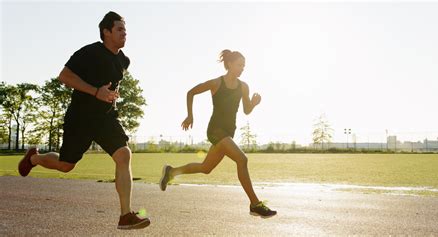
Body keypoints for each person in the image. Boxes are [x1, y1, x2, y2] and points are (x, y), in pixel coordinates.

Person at [17, 11, 150, 230]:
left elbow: (111, 86)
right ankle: (35, 159)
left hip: (105, 118)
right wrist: (95, 92)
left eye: (125, 29)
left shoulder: (123, 60)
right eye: (119, 29)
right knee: (66, 165)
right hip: (81, 117)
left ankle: (125, 215)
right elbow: (64, 76)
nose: (124, 33)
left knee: (124, 154)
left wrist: (109, 97)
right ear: (106, 32)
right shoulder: (89, 52)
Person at [159, 49, 277, 217]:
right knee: (242, 159)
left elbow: (246, 110)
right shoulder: (216, 83)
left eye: (244, 66)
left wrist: (254, 103)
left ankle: (171, 172)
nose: (242, 68)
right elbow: (191, 92)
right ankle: (254, 204)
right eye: (239, 65)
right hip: (215, 130)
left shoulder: (243, 86)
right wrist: (190, 115)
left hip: (229, 132)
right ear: (229, 64)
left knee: (205, 168)